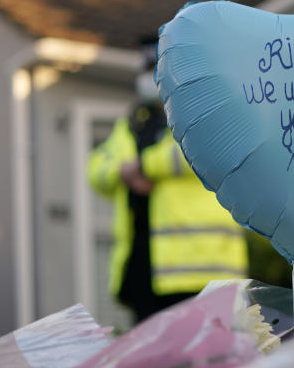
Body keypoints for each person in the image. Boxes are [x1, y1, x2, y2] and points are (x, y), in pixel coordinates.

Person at [89, 67, 249, 321]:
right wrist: (122, 172)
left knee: (203, 356)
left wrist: (142, 166)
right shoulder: (133, 123)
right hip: (144, 268)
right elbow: (96, 168)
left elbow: (199, 151)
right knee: (154, 357)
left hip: (201, 267)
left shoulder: (204, 110)